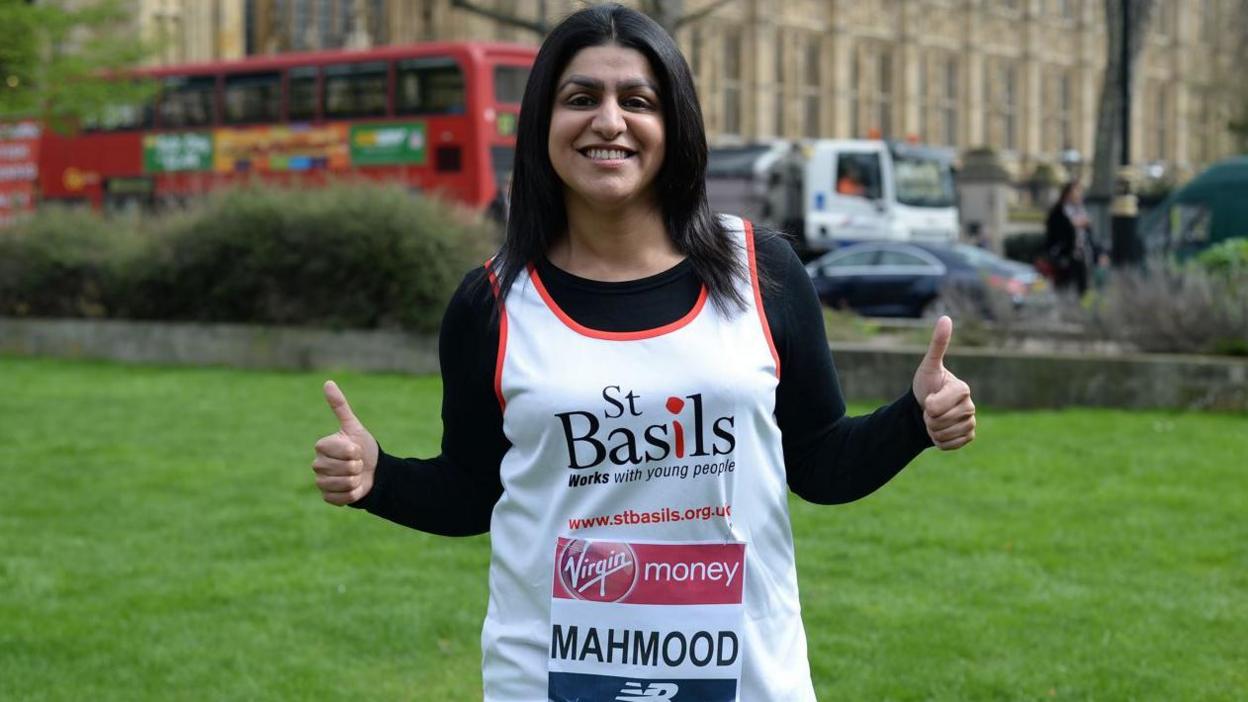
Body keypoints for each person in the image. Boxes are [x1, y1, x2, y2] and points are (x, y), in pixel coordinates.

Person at [310, 5, 976, 700]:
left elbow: (818, 463)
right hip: (549, 680)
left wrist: (914, 420)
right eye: (580, 99)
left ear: (675, 125)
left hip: (746, 678)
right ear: (542, 123)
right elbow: (477, 492)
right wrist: (376, 477)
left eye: (637, 101)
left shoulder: (763, 271)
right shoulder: (492, 304)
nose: (608, 121)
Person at [1044, 180, 1101, 296]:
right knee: (1064, 290)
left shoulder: (1082, 212)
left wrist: (1098, 253)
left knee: (1084, 291)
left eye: (1080, 191)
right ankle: (1065, 312)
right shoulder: (1058, 212)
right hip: (1065, 258)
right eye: (1076, 191)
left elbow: (1089, 237)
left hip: (1083, 257)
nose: (1079, 195)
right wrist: (1072, 224)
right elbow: (1055, 234)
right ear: (1067, 193)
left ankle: (1082, 313)